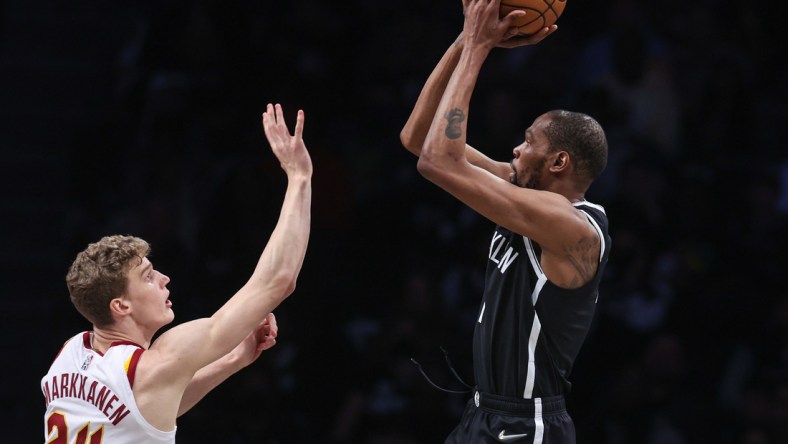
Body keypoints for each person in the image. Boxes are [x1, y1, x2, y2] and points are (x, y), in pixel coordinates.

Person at [400, 1, 611, 443]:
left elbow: (439, 162)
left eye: (528, 141)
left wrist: (479, 49)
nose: (516, 149)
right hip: (483, 414)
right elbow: (419, 140)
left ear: (559, 161)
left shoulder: (570, 226)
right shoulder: (524, 190)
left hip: (526, 426)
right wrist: (467, 38)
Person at [41, 103, 312, 443]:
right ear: (121, 306)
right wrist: (299, 177)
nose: (164, 279)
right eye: (148, 276)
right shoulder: (156, 363)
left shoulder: (71, 353)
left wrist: (234, 361)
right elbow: (277, 281)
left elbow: (152, 406)